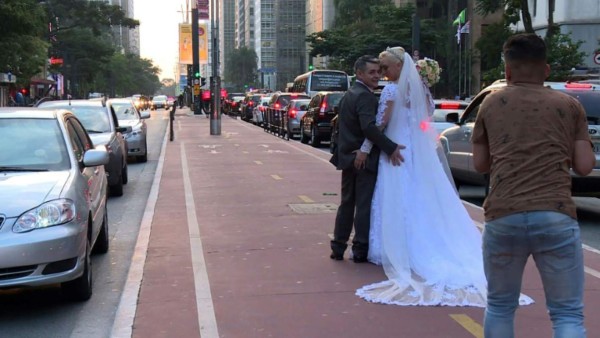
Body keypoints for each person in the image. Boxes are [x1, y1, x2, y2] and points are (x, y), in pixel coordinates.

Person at [355, 46, 534, 308]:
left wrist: (365, 149)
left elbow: (380, 124)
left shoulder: (392, 91)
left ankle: (396, 248)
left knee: (397, 197)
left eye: (385, 68)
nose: (382, 73)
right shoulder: (422, 91)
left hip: (395, 150)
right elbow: (425, 121)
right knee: (421, 197)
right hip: (414, 150)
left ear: (398, 67)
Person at [472, 33, 595, 337]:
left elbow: (480, 164)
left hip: (503, 214)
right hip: (555, 214)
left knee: (500, 305)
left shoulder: (491, 104)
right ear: (547, 70)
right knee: (567, 313)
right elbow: (584, 166)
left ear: (507, 70)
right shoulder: (569, 105)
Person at [329, 55, 405, 263]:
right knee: (362, 205)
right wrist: (390, 148)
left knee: (347, 203)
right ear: (360, 73)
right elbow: (369, 128)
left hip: (348, 157)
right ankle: (360, 248)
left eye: (378, 71)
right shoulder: (365, 96)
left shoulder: (350, 93)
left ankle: (338, 245)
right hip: (362, 159)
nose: (377, 76)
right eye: (371, 72)